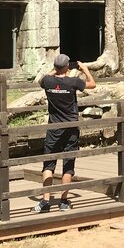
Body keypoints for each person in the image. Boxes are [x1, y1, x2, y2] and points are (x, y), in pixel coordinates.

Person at [33, 54, 96, 213]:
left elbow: (42, 79)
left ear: (55, 67)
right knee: (68, 163)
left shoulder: (47, 81)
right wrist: (86, 70)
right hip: (71, 127)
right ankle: (63, 201)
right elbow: (92, 84)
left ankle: (45, 201)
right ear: (68, 67)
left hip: (54, 127)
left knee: (48, 164)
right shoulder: (73, 82)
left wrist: (55, 71)